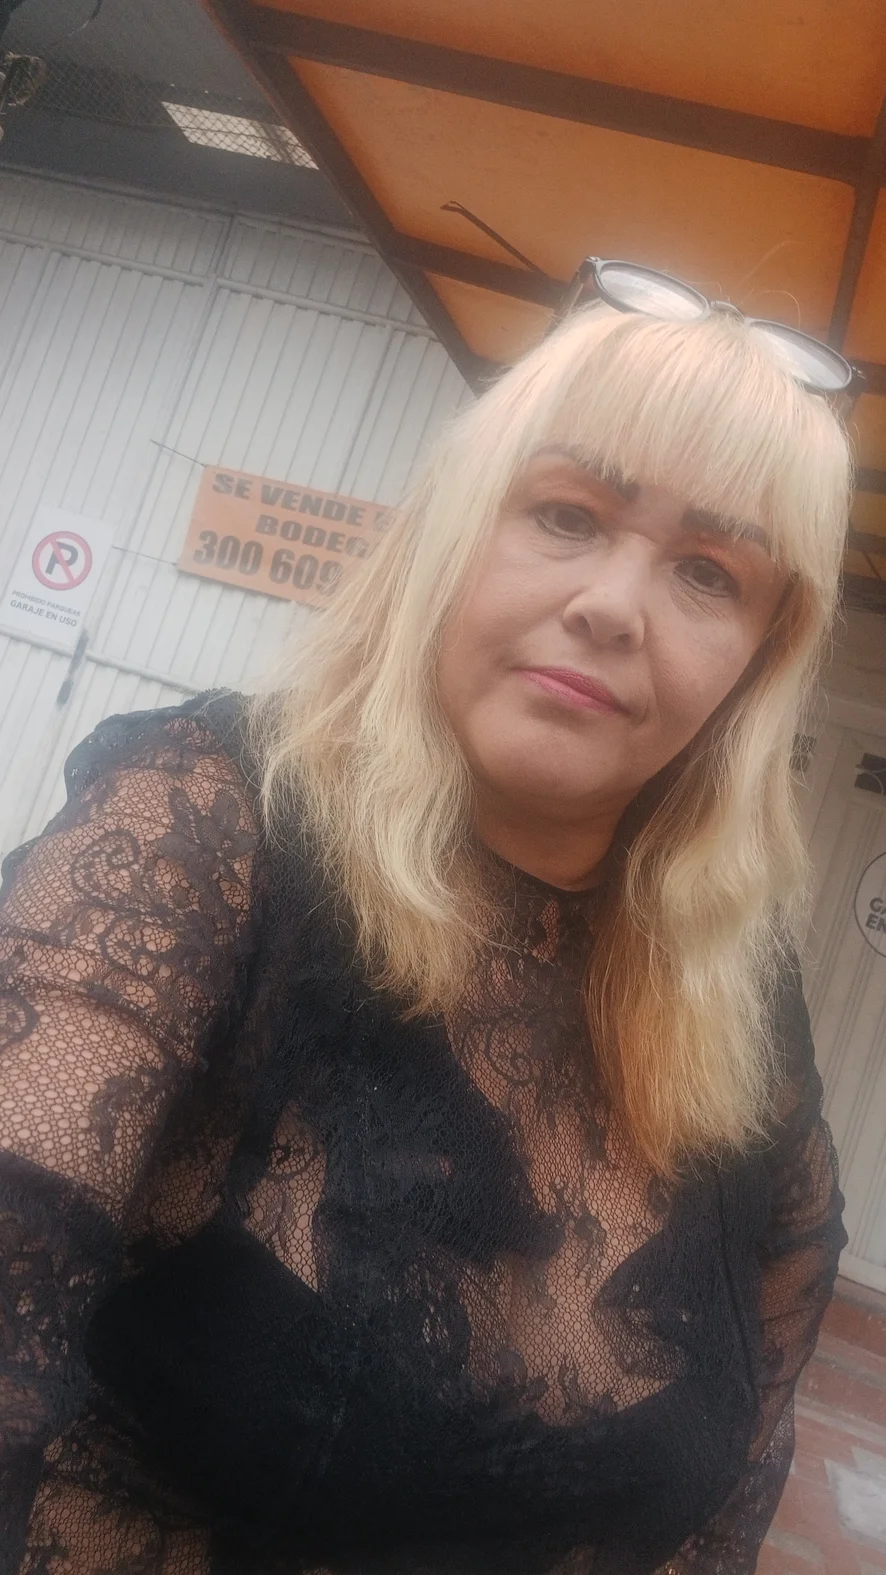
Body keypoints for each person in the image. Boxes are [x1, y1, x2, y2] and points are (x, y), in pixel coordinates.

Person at [0, 275, 853, 1575]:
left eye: (707, 572)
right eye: (566, 513)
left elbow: (744, 1447)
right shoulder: (208, 826)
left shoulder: (735, 986)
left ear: (755, 664)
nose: (614, 604)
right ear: (452, 531)